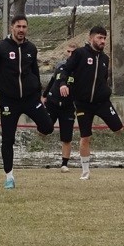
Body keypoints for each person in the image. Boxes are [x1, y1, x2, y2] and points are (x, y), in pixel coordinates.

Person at [0, 15, 54, 189]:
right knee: (8, 139)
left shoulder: (31, 48)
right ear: (11, 27)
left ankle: (40, 130)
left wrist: (40, 94)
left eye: (24, 27)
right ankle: (9, 177)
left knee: (48, 127)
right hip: (9, 101)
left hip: (30, 99)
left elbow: (35, 72)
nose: (21, 30)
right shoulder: (0, 47)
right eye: (18, 26)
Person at [58, 26, 123, 180]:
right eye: (99, 38)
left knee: (118, 128)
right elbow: (65, 70)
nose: (102, 41)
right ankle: (85, 171)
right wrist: (63, 84)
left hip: (102, 102)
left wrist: (106, 91)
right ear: (91, 38)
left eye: (104, 38)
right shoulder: (80, 54)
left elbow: (103, 79)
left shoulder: (105, 59)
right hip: (83, 103)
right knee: (85, 137)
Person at [42, 42, 76, 172]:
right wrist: (44, 95)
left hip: (67, 106)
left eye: (73, 52)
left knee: (67, 137)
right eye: (68, 51)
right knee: (44, 129)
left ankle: (64, 164)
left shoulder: (79, 68)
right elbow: (53, 80)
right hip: (52, 103)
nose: (70, 54)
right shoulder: (60, 66)